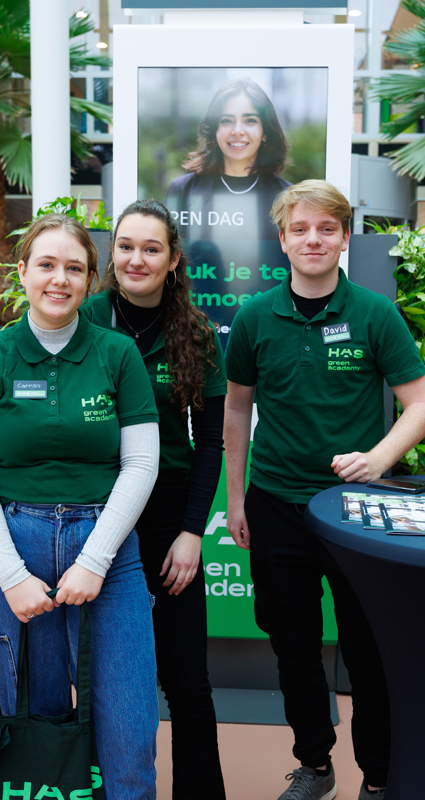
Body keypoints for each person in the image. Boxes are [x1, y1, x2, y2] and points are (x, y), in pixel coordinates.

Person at [224, 179, 425, 800]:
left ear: (343, 238)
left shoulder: (374, 313)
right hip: (277, 504)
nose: (314, 239)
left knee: (370, 654)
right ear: (282, 240)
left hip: (358, 513)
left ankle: (380, 777)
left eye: (327, 229)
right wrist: (236, 499)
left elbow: (417, 404)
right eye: (300, 229)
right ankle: (315, 766)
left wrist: (380, 457)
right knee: (294, 649)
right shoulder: (256, 316)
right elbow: (236, 412)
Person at [0, 214, 161, 800]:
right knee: (36, 729)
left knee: (128, 732)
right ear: (22, 272)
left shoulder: (117, 354)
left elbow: (141, 464)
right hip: (12, 554)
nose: (59, 279)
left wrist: (95, 559)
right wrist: (12, 575)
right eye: (46, 264)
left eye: (74, 267)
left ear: (92, 280)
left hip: (108, 551)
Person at [80, 199, 227, 799]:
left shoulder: (196, 333)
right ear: (111, 253)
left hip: (169, 518)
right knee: (102, 680)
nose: (136, 258)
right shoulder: (84, 318)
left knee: (187, 679)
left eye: (151, 248)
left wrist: (194, 531)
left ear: (173, 261)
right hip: (93, 514)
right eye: (125, 246)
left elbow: (212, 442)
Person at [166, 76, 291, 241]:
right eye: (226, 121)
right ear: (214, 131)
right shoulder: (183, 190)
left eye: (250, 120)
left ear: (265, 133)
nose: (237, 130)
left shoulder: (288, 197)